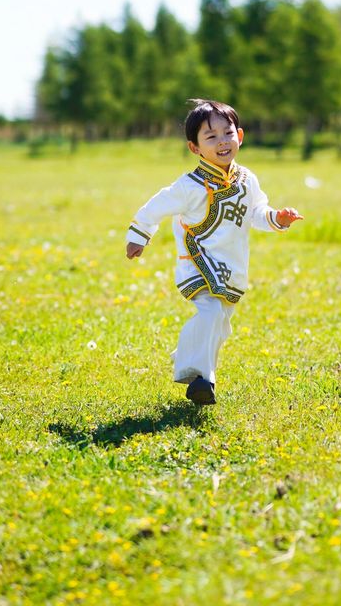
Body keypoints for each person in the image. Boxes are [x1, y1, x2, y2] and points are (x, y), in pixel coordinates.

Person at [125, 98, 303, 405]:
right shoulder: (190, 186)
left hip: (232, 265)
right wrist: (139, 235)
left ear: (241, 136)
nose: (222, 142)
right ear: (194, 148)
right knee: (209, 312)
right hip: (198, 262)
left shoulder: (247, 180)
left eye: (228, 133)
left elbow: (256, 211)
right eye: (211, 137)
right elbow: (157, 205)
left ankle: (187, 355)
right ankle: (201, 380)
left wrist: (277, 218)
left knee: (221, 325)